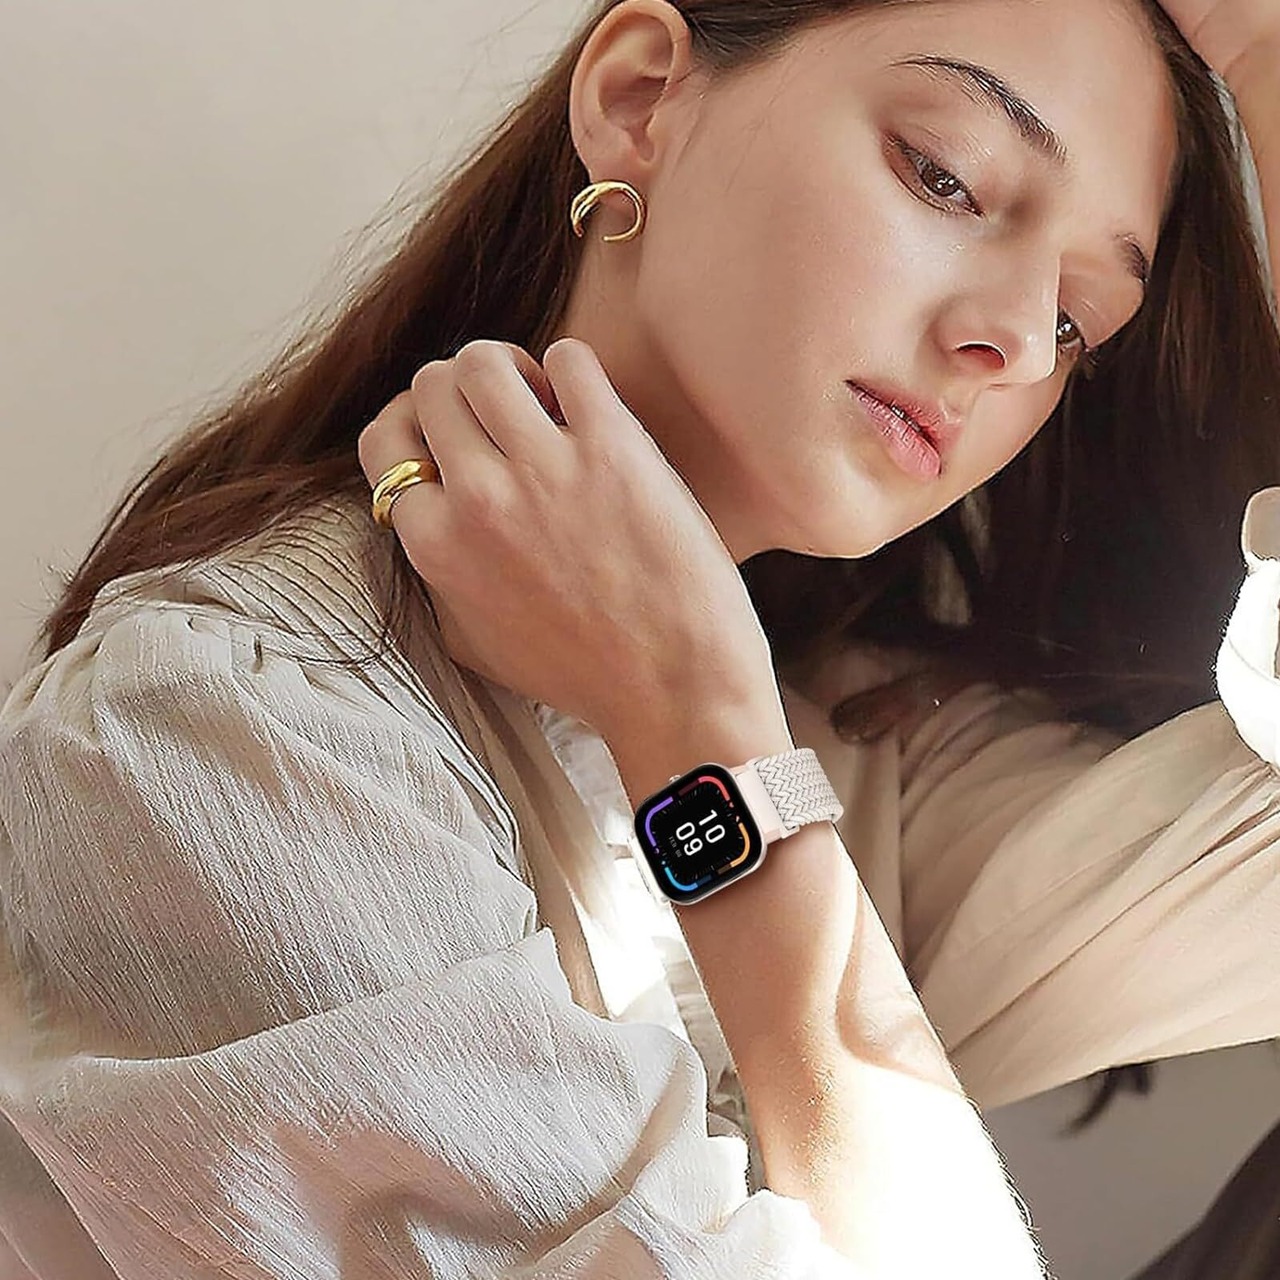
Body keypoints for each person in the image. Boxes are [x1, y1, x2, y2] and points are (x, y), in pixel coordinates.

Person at [1, 0, 1278, 1274]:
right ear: (637, 99)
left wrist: (1265, 57)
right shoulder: (226, 729)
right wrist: (704, 736)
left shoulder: (865, 744)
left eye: (1075, 320)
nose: (1008, 340)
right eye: (943, 176)